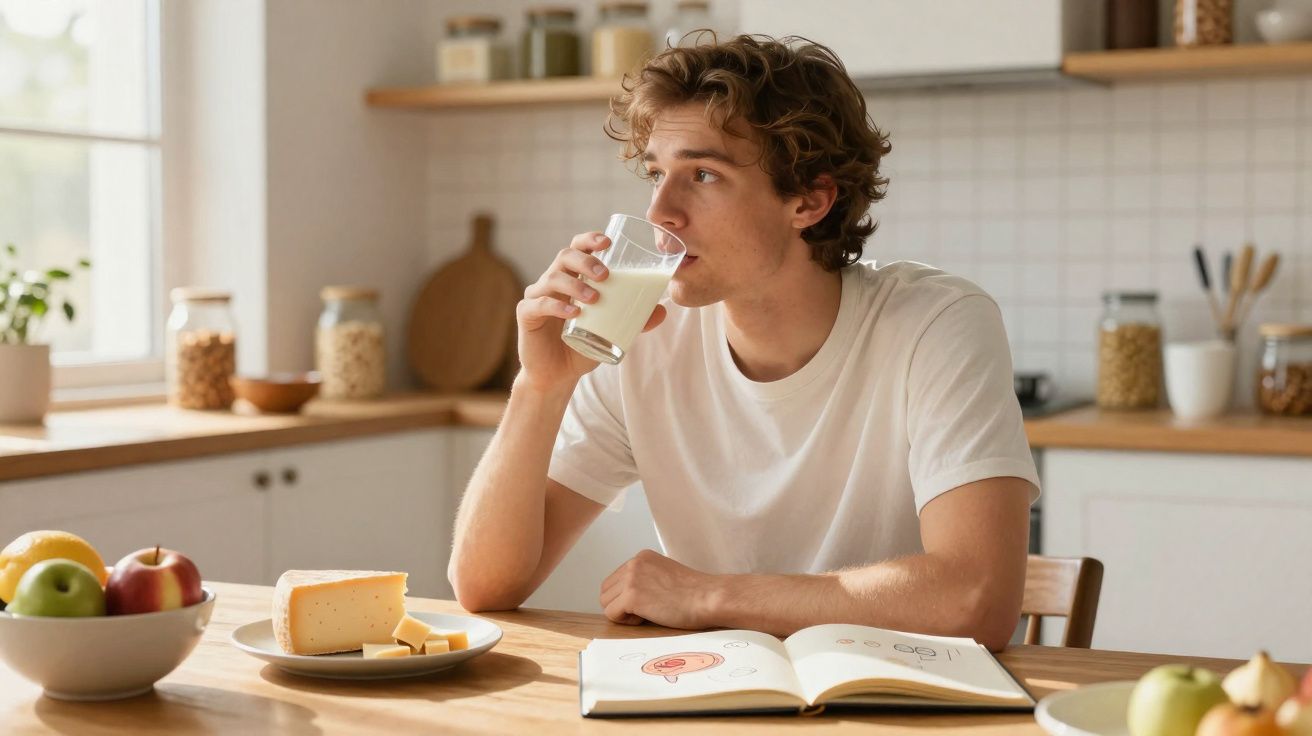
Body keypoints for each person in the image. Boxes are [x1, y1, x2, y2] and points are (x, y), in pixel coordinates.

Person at [448, 34, 1039, 652]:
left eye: (703, 174)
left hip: (897, 701)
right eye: (656, 173)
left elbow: (977, 598)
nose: (660, 212)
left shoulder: (936, 322)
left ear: (809, 200)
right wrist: (540, 385)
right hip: (714, 692)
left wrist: (710, 595)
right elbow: (485, 587)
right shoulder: (641, 337)